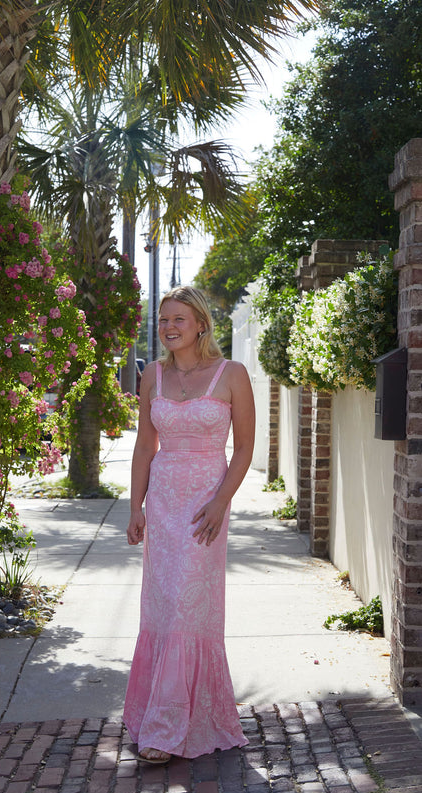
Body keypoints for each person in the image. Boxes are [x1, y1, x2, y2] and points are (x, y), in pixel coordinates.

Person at [123, 285, 255, 764]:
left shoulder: (232, 374)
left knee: (186, 606)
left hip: (204, 504)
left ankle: (169, 726)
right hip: (162, 501)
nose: (169, 327)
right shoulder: (151, 376)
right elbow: (144, 445)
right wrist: (135, 506)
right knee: (162, 605)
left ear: (201, 323)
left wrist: (222, 501)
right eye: (163, 320)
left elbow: (243, 448)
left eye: (178, 319)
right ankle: (154, 715)